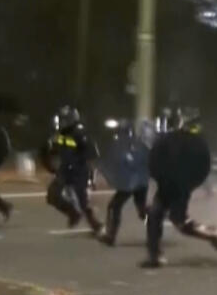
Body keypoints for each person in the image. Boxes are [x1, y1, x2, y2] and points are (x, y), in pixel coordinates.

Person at [143, 107, 217, 268]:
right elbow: (154, 160)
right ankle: (154, 255)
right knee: (153, 216)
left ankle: (210, 235)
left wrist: (189, 183)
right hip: (166, 184)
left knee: (178, 220)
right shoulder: (165, 140)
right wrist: (157, 176)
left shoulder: (195, 142)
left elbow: (201, 165)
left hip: (180, 186)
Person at [43, 105, 102, 234]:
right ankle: (73, 213)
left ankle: (96, 226)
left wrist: (93, 178)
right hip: (65, 170)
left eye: (64, 119)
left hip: (80, 172)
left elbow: (92, 158)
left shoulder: (81, 134)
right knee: (52, 195)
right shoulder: (60, 134)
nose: (61, 122)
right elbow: (53, 151)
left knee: (83, 202)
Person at [99, 119, 153, 246]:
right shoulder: (140, 144)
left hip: (130, 183)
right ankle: (154, 225)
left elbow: (118, 163)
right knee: (142, 211)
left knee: (114, 206)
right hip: (141, 183)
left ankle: (110, 235)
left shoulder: (121, 145)